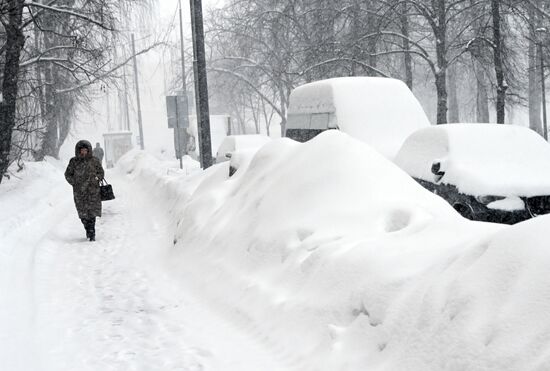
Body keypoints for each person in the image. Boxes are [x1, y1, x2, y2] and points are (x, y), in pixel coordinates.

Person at [65, 140, 105, 241]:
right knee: (83, 215)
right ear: (78, 151)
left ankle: (92, 233)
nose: (83, 152)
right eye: (82, 150)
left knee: (92, 214)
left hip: (93, 192)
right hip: (79, 193)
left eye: (85, 150)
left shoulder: (94, 160)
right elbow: (68, 174)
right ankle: (87, 229)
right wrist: (74, 182)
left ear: (89, 150)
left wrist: (97, 178)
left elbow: (101, 172)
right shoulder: (74, 161)